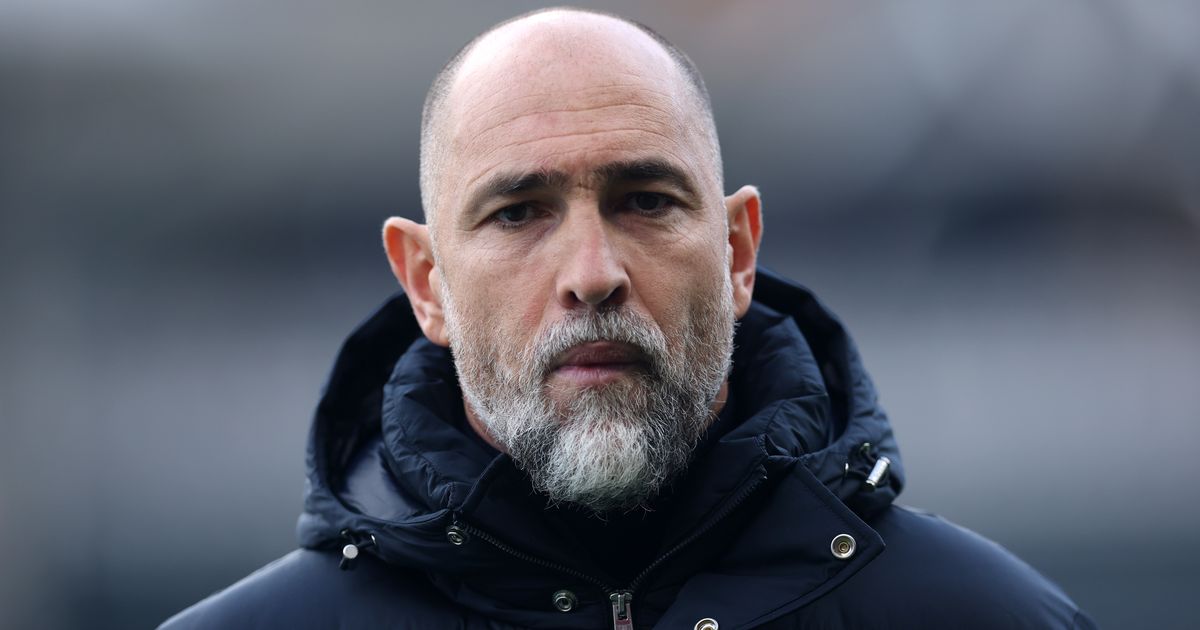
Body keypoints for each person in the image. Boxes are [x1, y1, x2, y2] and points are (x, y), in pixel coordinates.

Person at [162, 7, 1094, 629]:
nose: (593, 275)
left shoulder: (988, 618)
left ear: (736, 252)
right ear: (427, 283)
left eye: (645, 201)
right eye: (518, 214)